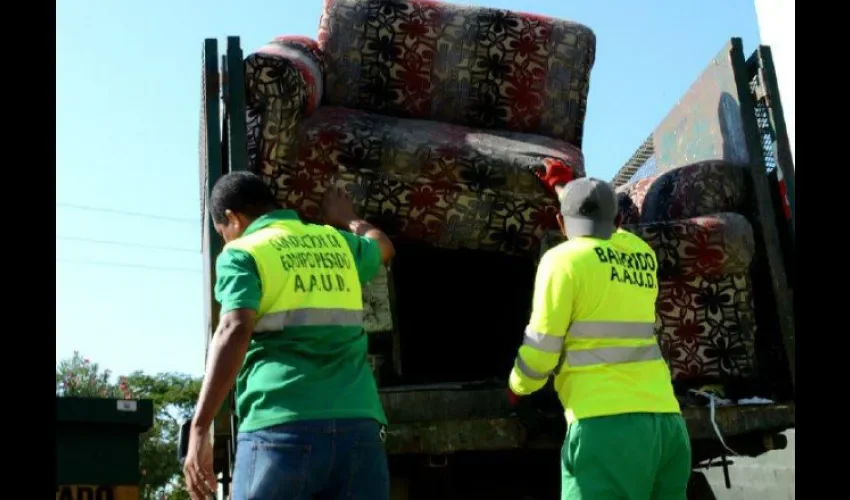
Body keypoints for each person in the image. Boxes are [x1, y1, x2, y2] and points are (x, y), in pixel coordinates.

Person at [183, 171, 395, 500]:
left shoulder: (242, 253)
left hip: (280, 427)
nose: (225, 241)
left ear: (232, 218)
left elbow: (234, 327)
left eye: (222, 233)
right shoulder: (336, 242)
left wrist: (200, 427)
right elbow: (382, 246)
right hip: (359, 426)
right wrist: (346, 217)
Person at [507, 176, 691, 500]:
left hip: (605, 430)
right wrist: (569, 190)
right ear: (619, 220)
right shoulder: (642, 254)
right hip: (668, 427)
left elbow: (542, 349)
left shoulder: (561, 261)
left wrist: (518, 386)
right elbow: (609, 233)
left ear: (561, 222)